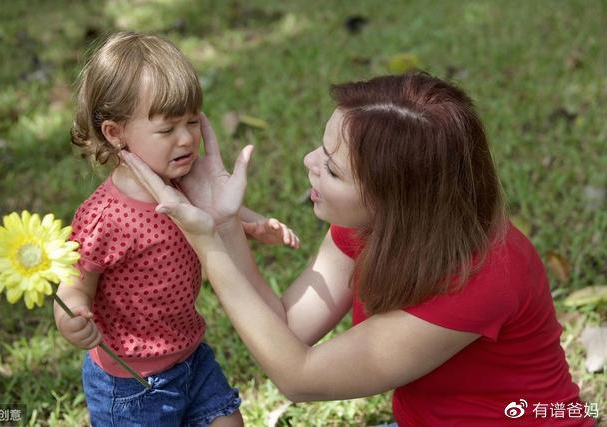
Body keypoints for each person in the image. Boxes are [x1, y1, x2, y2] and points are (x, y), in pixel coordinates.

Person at [120, 72, 595, 426]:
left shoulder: (483, 275)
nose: (309, 163)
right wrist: (223, 224)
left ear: (396, 199)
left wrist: (209, 247)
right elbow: (287, 330)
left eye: (332, 169)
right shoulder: (373, 224)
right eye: (321, 151)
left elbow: (299, 378)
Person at [54, 31, 299, 427]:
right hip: (131, 382)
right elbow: (75, 281)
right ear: (116, 134)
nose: (186, 139)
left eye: (190, 123)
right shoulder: (105, 216)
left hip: (191, 354)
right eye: (167, 130)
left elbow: (215, 211)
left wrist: (254, 224)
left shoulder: (181, 181)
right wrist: (70, 314)